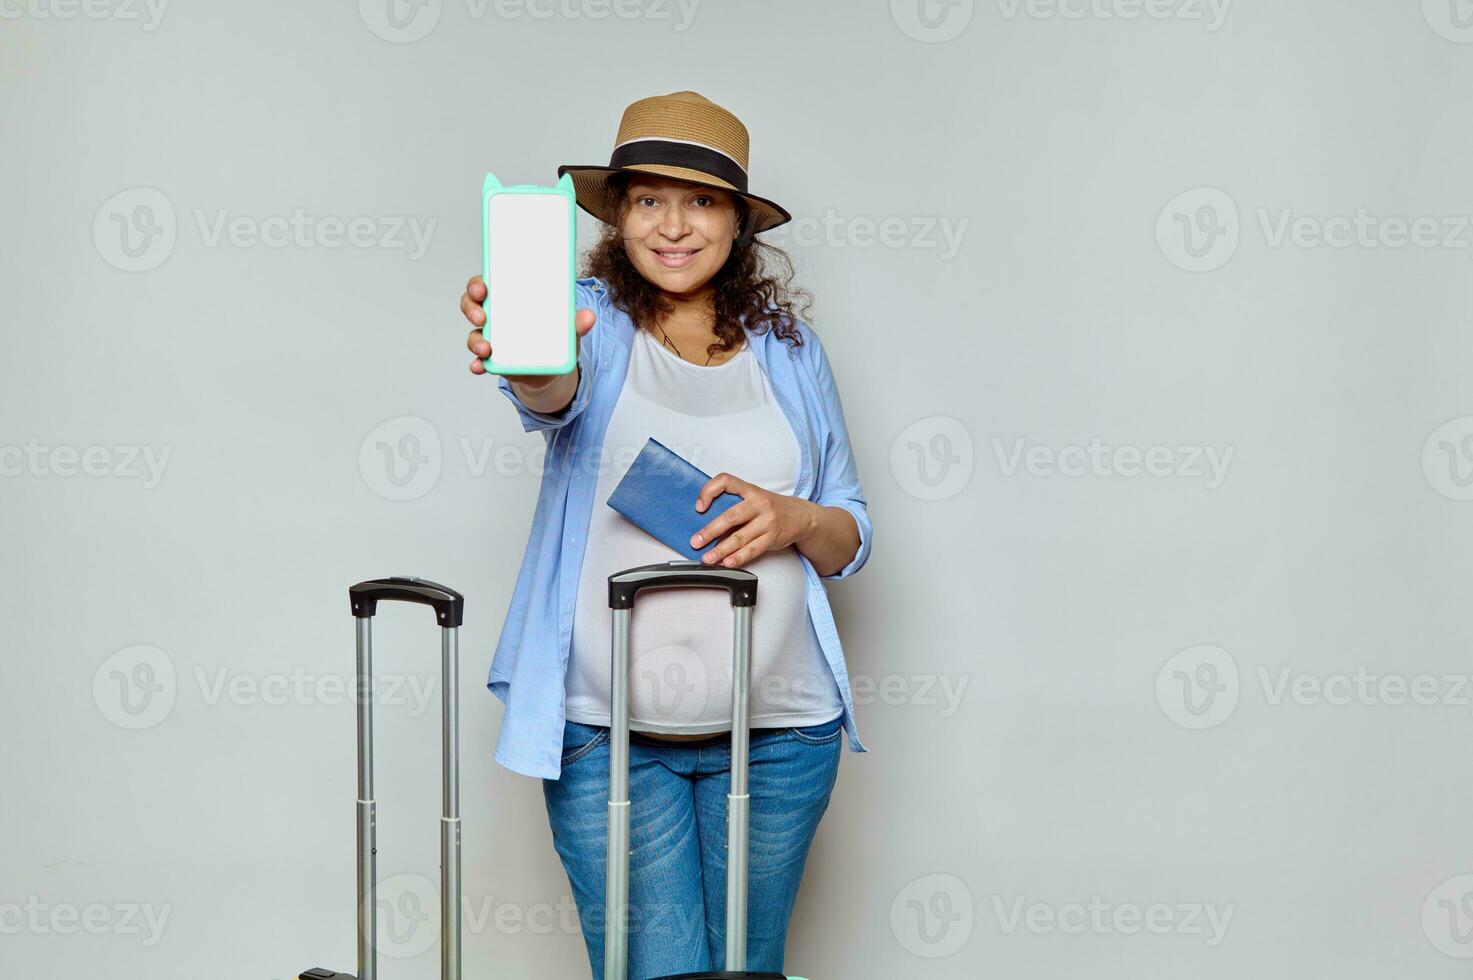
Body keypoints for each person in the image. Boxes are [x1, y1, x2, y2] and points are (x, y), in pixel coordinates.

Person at [458, 90, 874, 979]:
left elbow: (849, 533)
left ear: (737, 222)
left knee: (748, 970)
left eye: (701, 201)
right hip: (608, 733)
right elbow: (548, 393)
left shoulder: (790, 345)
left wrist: (795, 517)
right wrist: (528, 363)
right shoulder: (589, 322)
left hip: (781, 732)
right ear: (617, 215)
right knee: (654, 972)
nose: (673, 225)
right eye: (648, 199)